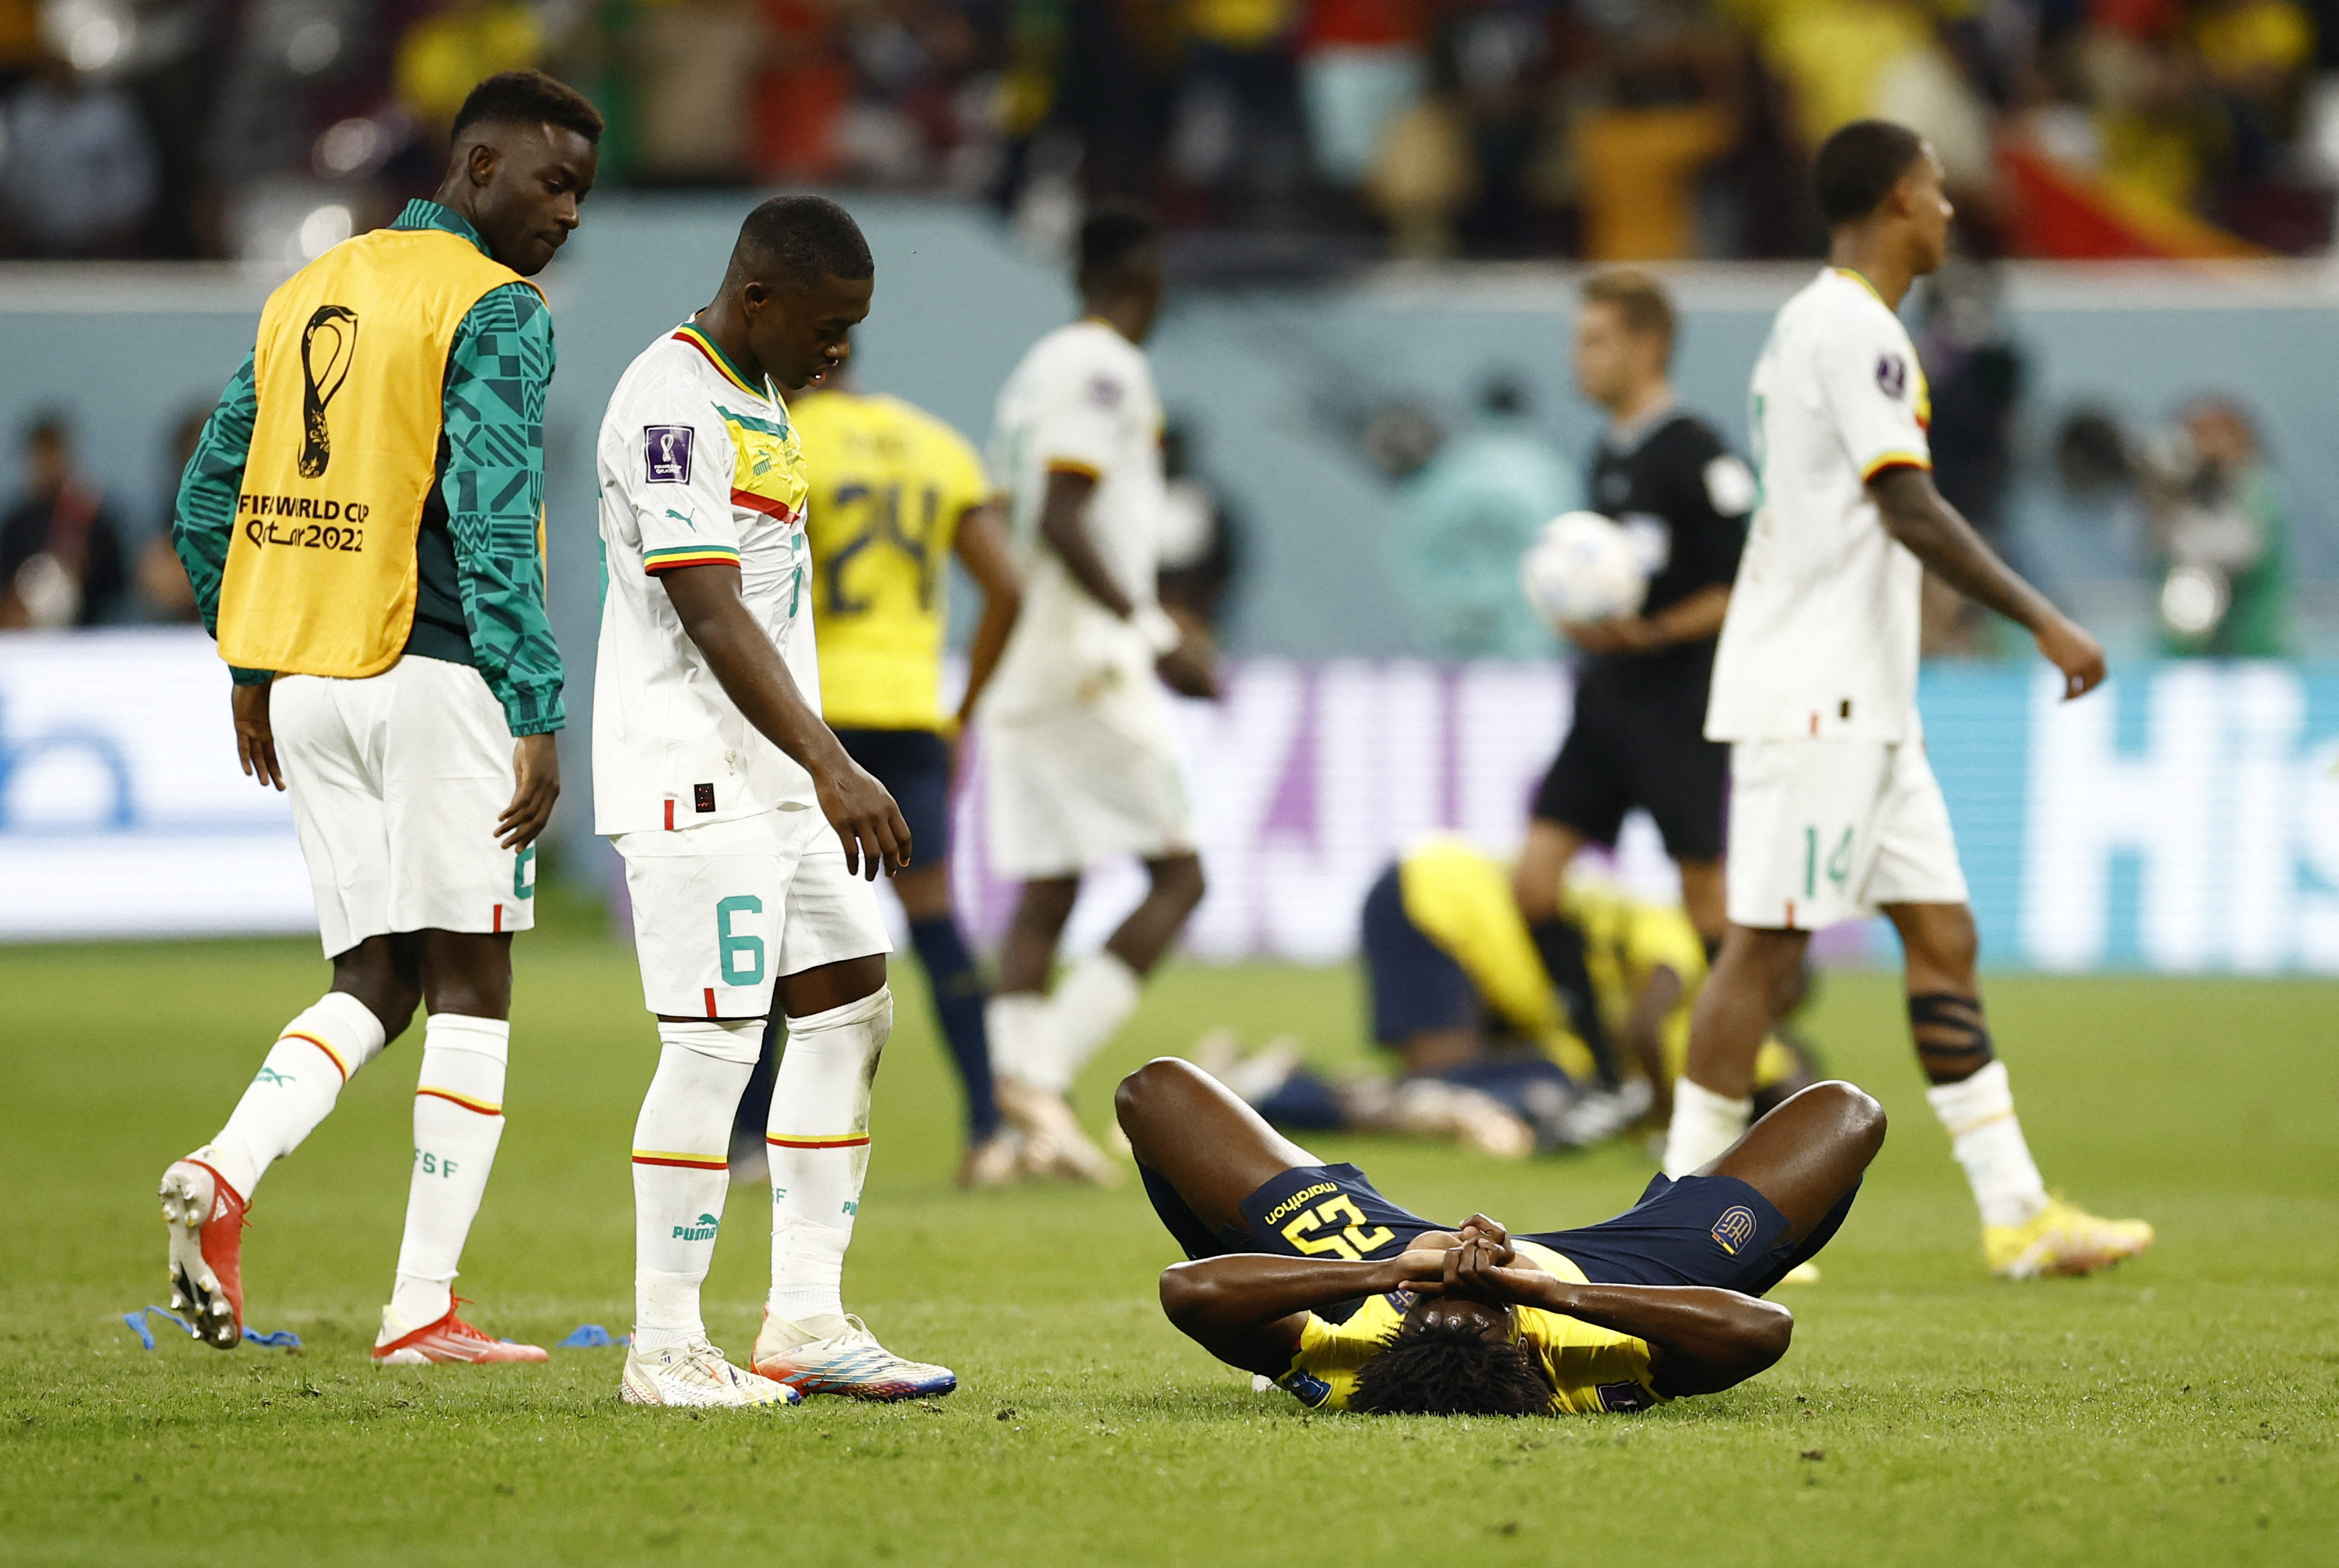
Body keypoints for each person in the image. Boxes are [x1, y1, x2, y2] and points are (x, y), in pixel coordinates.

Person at [158, 70, 600, 1363]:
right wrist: (536, 704)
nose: (568, 213)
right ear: (475, 170)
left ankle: (225, 1171)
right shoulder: (496, 310)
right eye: (550, 180)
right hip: (438, 672)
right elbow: (489, 511)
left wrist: (248, 659)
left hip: (309, 687)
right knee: (475, 978)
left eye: (581, 189)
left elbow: (207, 491)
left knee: (373, 978)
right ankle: (421, 1309)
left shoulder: (314, 283)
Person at [1664, 120, 2153, 1281]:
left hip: (1868, 703)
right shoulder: (1855, 329)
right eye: (1934, 190)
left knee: (1942, 934)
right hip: (1820, 693)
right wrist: (2043, 616)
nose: (1948, 210)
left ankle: (2018, 1212)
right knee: (1767, 948)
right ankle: (1676, 1209)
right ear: (1893, 201)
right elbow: (1908, 506)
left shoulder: (1819, 326)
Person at [594, 193, 954, 1409]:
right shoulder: (673, 399)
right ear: (757, 299)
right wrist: (835, 762)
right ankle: (663, 1346)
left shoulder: (764, 400)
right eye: (828, 323)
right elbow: (706, 605)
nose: (839, 348)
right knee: (710, 1044)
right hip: (696, 771)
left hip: (780, 780)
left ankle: (803, 1317)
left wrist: (814, 769)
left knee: (853, 1007)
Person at [1119, 1056, 1882, 1416]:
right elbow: (1762, 1329)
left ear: (1404, 1322)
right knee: (1847, 1115)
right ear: (1523, 1343)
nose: (1467, 1270)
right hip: (1614, 1282)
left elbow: (1188, 1289)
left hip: (1369, 1259)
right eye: (1481, 1292)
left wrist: (1388, 1273)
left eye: (1439, 1291)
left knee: (1153, 1096)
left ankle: (1304, 1293)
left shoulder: (1347, 1360)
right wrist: (1550, 1290)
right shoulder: (1590, 1370)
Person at [730, 363, 1024, 1188]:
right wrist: (963, 710)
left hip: (812, 715)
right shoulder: (938, 445)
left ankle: (753, 1139)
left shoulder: (783, 439)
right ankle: (988, 1130)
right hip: (907, 714)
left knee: (774, 917)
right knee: (935, 924)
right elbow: (1008, 585)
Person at [977, 206, 1218, 1184]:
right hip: (1086, 658)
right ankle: (1036, 1080)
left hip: (1030, 663)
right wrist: (1156, 629)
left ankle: (1022, 1130)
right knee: (1180, 875)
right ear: (1142, 278)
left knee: (1049, 888)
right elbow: (1068, 514)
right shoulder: (1106, 367)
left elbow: (1013, 513)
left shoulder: (1035, 369)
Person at [1513, 274, 1752, 1085]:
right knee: (1535, 882)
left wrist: (1651, 631)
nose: (1579, 359)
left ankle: (1748, 1075)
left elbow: (1740, 586)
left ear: (1647, 346)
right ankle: (1607, 1074)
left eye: (1595, 342)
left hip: (1678, 707)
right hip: (1606, 701)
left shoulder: (1699, 454)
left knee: (1706, 903)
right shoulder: (1607, 454)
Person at [1222, 839, 1810, 1156]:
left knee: (1472, 1088)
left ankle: (1281, 1085)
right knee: (1445, 1085)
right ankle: (1269, 1092)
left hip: (1458, 917)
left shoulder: (1712, 1001)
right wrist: (1663, 1123)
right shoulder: (1682, 942)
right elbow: (1643, 1029)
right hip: (1440, 902)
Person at [1389, 375, 1576, 659]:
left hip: (1459, 635)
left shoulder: (1447, 470)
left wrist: (1449, 601)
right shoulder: (1551, 472)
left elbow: (1411, 550)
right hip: (1527, 638)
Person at [0, 413, 127, 627]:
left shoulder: (94, 519)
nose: (47, 465)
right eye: (41, 456)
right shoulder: (17, 524)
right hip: (24, 636)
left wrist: (89, 569)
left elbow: (117, 585)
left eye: (53, 454)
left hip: (84, 634)